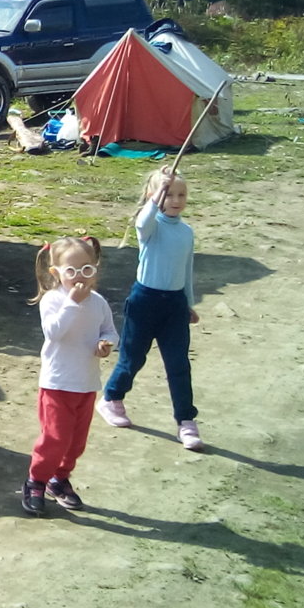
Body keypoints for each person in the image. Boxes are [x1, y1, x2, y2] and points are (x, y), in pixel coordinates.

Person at [98, 165, 205, 450]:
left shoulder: (186, 232)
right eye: (169, 194)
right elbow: (143, 221)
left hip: (175, 305)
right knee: (133, 358)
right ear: (154, 196)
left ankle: (186, 421)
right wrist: (157, 194)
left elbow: (186, 269)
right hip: (145, 301)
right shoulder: (151, 227)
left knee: (178, 364)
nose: (176, 200)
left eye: (181, 194)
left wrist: (188, 303)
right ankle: (111, 398)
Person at [22, 235, 119, 516]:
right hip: (57, 383)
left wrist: (106, 344)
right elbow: (54, 332)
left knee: (76, 442)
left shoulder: (98, 302)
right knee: (55, 438)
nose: (79, 276)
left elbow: (110, 331)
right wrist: (72, 303)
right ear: (56, 272)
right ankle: (36, 481)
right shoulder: (53, 300)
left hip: (86, 384)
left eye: (86, 269)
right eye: (71, 270)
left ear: (95, 269)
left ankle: (59, 478)